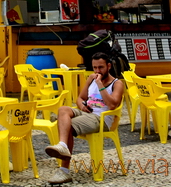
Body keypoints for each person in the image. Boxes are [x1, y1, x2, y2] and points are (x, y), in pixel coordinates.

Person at [44, 52, 125, 185]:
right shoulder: (91, 79)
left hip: (102, 119)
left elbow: (112, 105)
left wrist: (100, 85)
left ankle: (64, 170)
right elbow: (80, 98)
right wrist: (82, 105)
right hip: (88, 113)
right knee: (63, 110)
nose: (97, 71)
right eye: (95, 68)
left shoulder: (117, 84)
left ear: (108, 66)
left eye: (101, 67)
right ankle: (63, 145)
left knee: (67, 125)